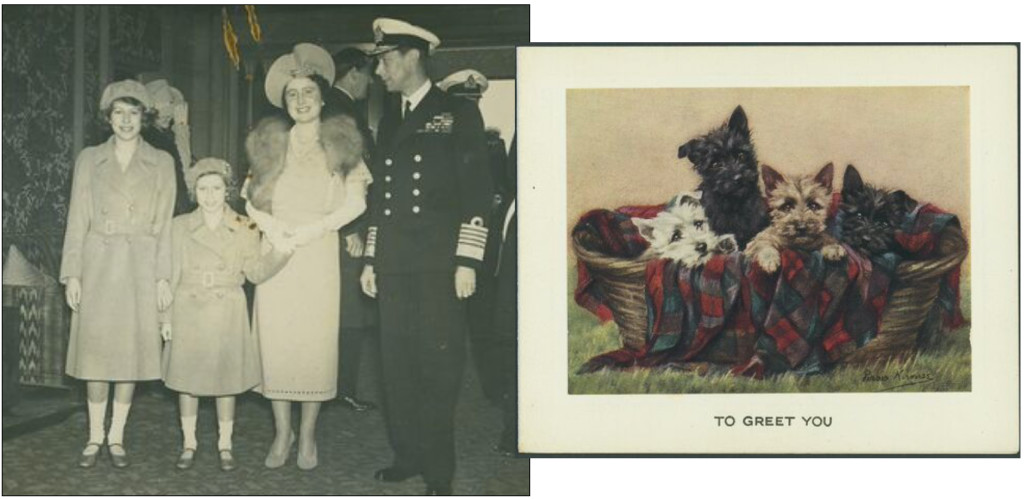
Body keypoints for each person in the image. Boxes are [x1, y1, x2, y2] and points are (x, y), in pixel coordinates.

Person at [361, 18, 492, 495]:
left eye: (385, 61)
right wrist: (372, 259)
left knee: (438, 364)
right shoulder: (392, 117)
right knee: (396, 364)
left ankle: (438, 467)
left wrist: (467, 262)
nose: (380, 72)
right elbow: (383, 198)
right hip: (396, 262)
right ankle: (407, 453)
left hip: (440, 264)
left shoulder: (457, 113)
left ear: (412, 57)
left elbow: (478, 193)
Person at [244, 42, 371, 471]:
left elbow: (356, 203)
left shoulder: (342, 141)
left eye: (308, 93)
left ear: (321, 97)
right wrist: (272, 227)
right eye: (292, 95)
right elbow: (248, 199)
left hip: (317, 252)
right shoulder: (269, 142)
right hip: (277, 250)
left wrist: (316, 230)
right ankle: (282, 433)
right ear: (285, 101)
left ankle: (309, 436)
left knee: (313, 346)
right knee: (277, 343)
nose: (300, 102)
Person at [60, 79, 176, 468]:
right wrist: (72, 273)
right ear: (108, 118)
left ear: (146, 118)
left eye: (134, 112)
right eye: (119, 113)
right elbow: (77, 219)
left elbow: (164, 226)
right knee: (96, 352)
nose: (126, 121)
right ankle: (94, 436)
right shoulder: (89, 159)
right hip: (98, 263)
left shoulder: (161, 162)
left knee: (130, 353)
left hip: (140, 265)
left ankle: (117, 436)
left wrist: (163, 278)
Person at [160, 158, 292, 471]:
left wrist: (281, 252)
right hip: (187, 306)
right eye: (202, 188)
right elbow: (167, 275)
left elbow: (256, 272)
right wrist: (165, 318)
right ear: (194, 191)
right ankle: (189, 443)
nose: (209, 195)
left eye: (216, 187)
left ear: (227, 190)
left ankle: (225, 443)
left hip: (226, 307)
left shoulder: (245, 225)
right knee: (187, 381)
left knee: (226, 380)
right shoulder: (178, 226)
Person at [328, 46, 378, 412]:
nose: (372, 81)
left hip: (349, 223)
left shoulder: (341, 106)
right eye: (369, 73)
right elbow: (341, 176)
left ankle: (338, 386)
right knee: (348, 313)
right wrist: (352, 229)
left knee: (347, 311)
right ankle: (340, 388)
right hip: (347, 227)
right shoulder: (339, 110)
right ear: (354, 73)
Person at [143, 79, 192, 215]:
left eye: (170, 112)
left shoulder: (164, 135)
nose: (169, 116)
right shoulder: (152, 139)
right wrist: (181, 128)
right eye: (161, 114)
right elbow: (185, 171)